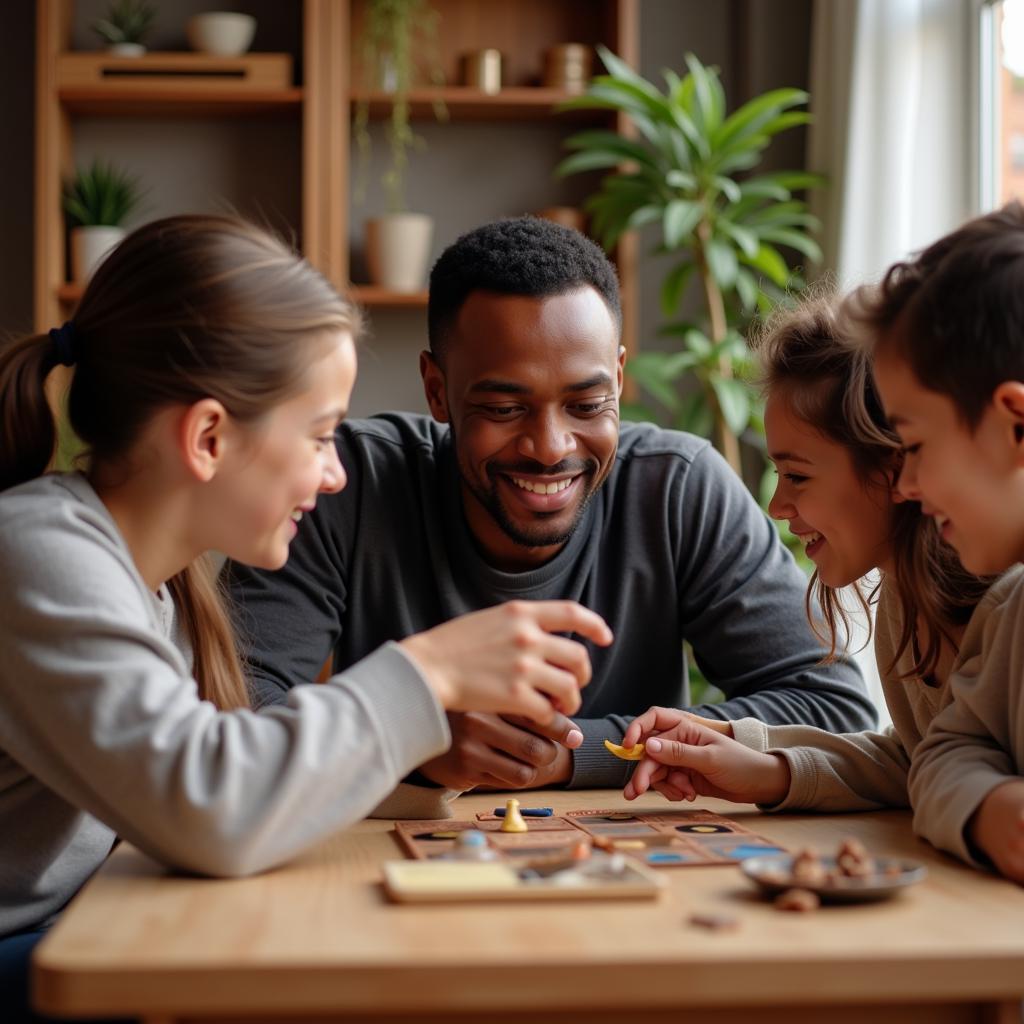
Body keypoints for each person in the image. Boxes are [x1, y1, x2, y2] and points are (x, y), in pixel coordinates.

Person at [0, 215, 612, 1017]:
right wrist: (427, 672)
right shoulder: (39, 553)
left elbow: (226, 776)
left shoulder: (158, 583)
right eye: (321, 436)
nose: (332, 476)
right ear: (211, 437)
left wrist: (426, 767)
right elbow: (211, 809)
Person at [227, 217, 875, 805]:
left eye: (587, 405)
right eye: (505, 409)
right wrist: (410, 735)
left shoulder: (676, 489)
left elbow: (836, 709)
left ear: (619, 380)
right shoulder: (345, 484)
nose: (550, 447)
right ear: (437, 390)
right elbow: (232, 719)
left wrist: (578, 754)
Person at [619, 293, 1001, 821]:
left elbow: (948, 778)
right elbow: (918, 761)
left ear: (893, 466)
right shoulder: (901, 598)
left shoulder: (1005, 609)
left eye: (796, 475)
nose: (776, 506)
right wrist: (761, 761)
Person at [861, 202, 1024, 883]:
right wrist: (994, 808)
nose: (911, 484)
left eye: (916, 446)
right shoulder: (1013, 610)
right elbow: (947, 749)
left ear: (1014, 421)